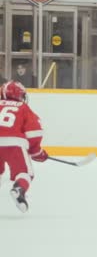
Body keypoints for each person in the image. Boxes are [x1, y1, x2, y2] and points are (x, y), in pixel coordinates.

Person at [0, 81, 46, 213]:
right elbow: (34, 132)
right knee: (25, 173)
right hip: (14, 143)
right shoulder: (23, 108)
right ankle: (19, 189)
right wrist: (36, 152)